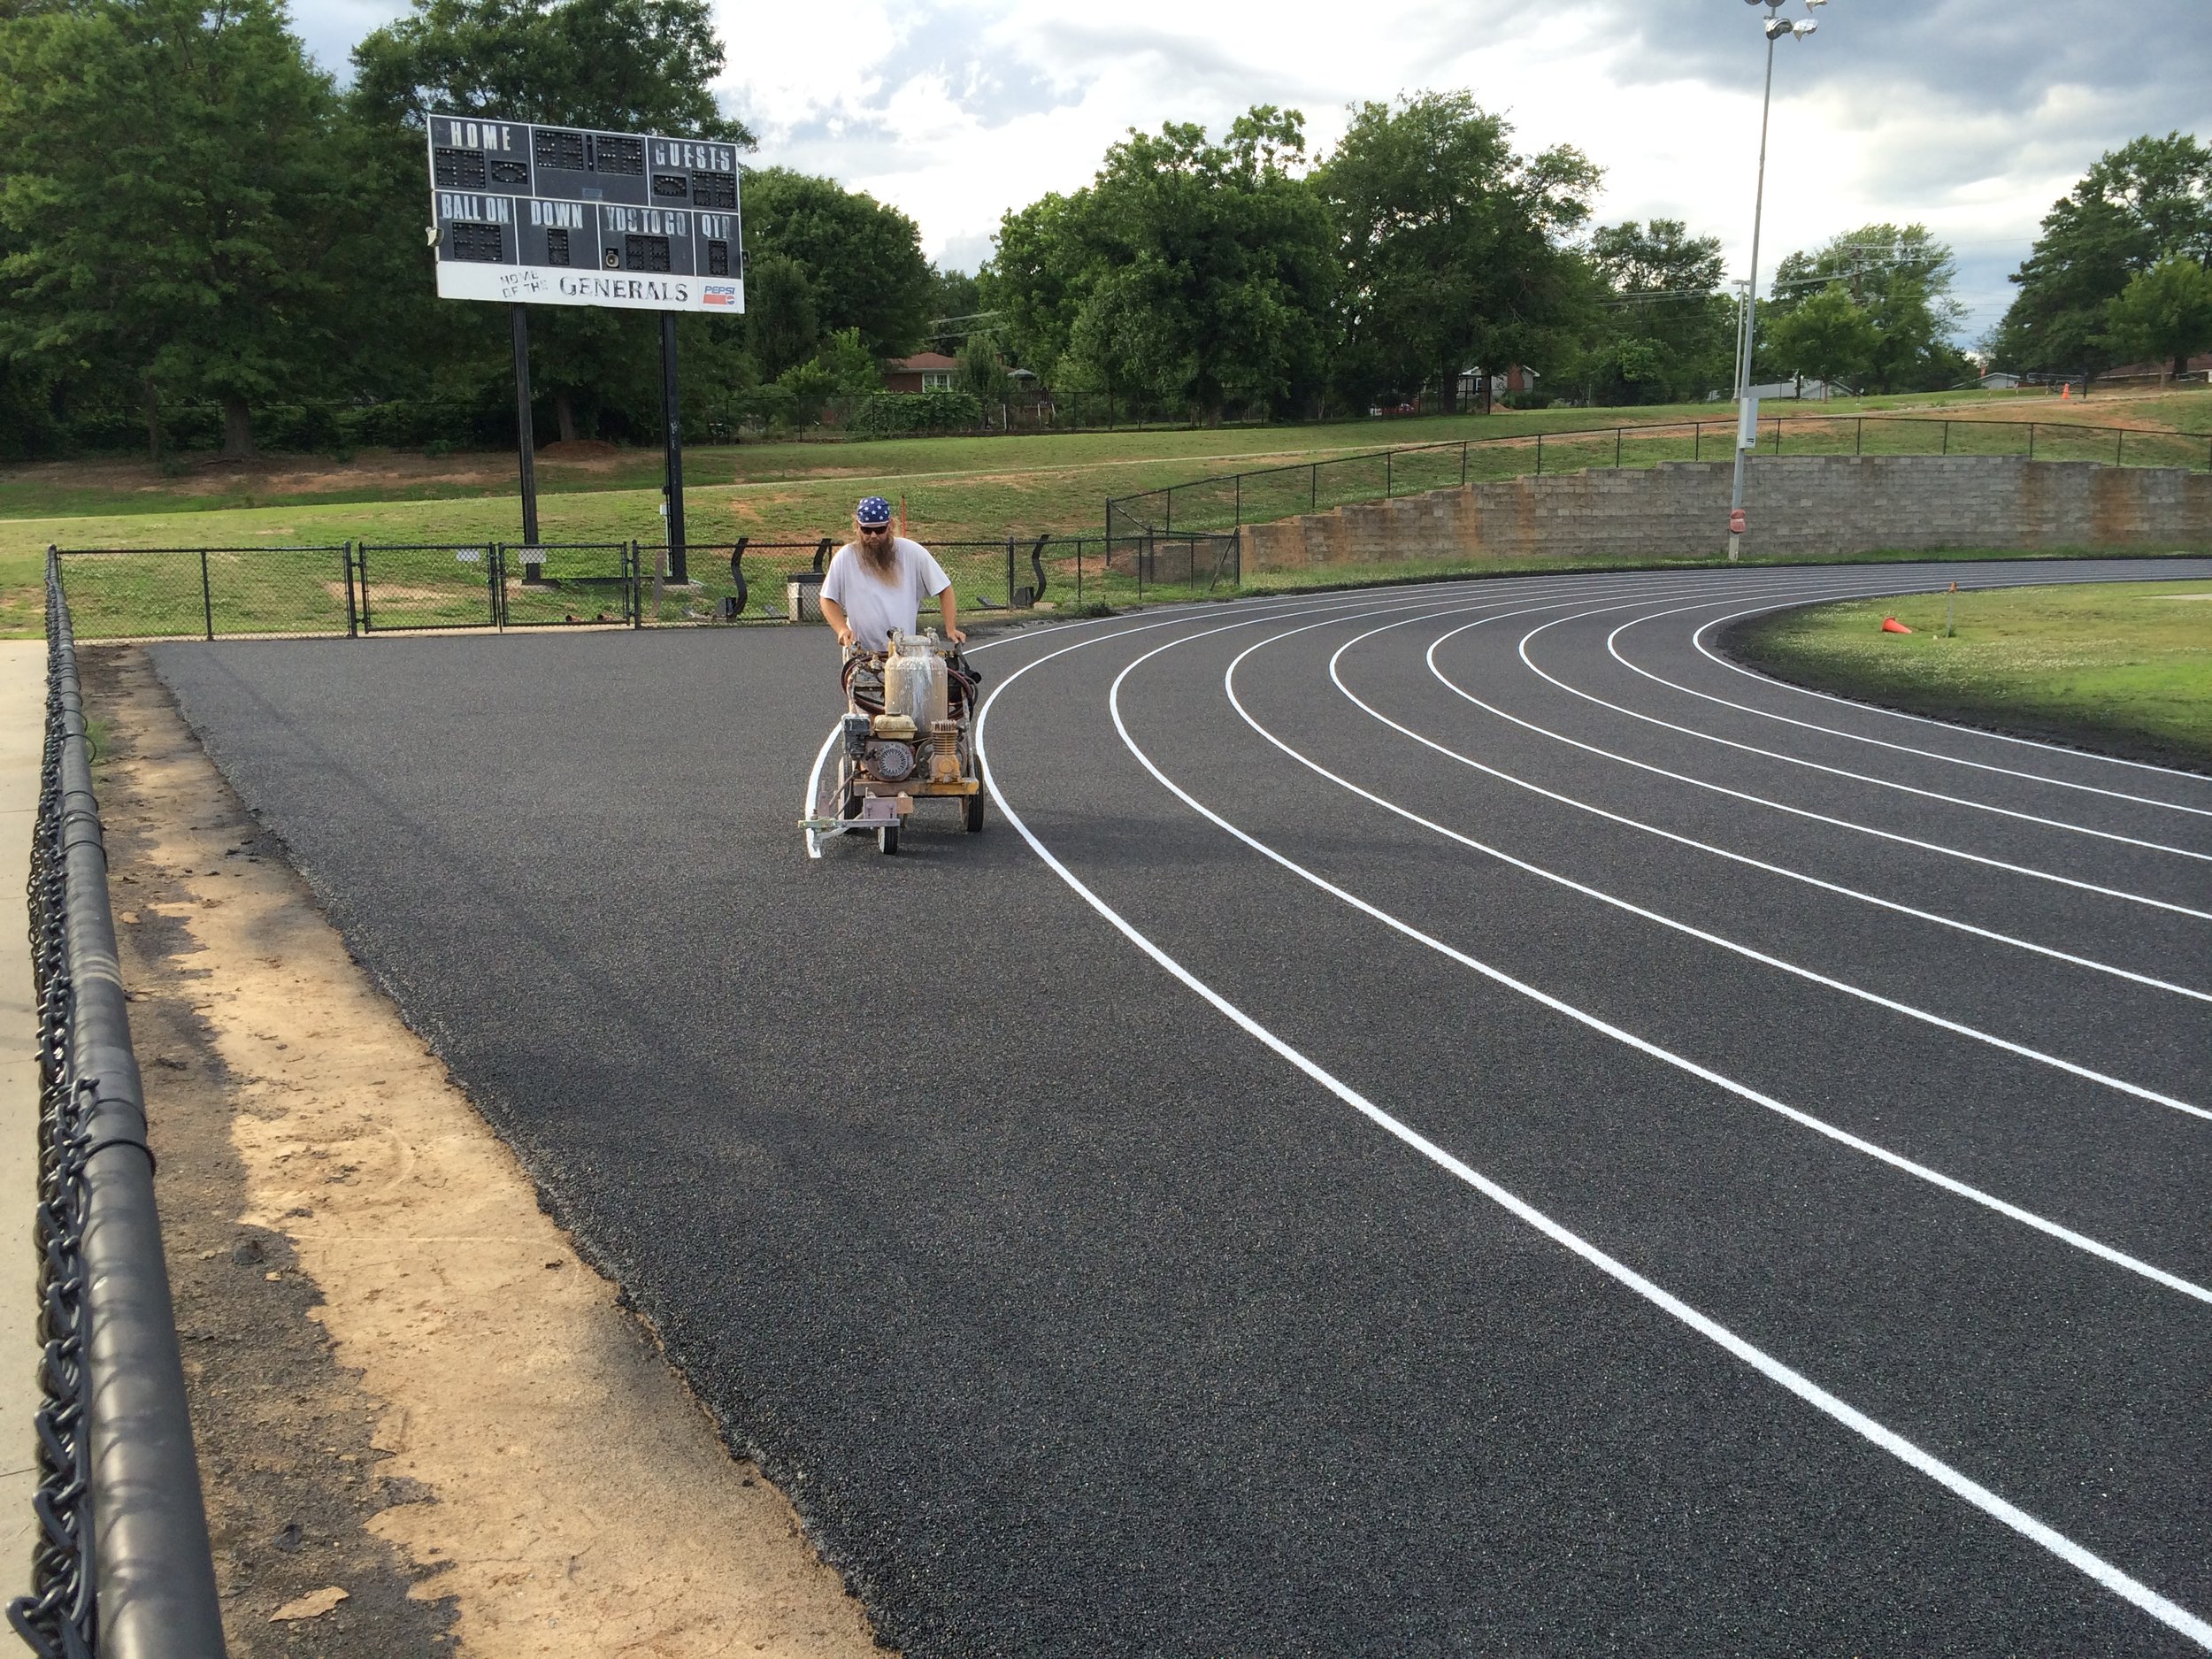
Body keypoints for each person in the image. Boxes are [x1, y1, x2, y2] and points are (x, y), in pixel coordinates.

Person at [818, 497, 965, 652]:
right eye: (867, 530)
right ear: (857, 527)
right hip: (861, 651)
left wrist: (951, 628)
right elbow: (827, 598)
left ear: (890, 526)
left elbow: (944, 587)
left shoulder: (912, 552)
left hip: (903, 650)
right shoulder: (845, 557)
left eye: (880, 530)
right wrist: (841, 629)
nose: (873, 536)